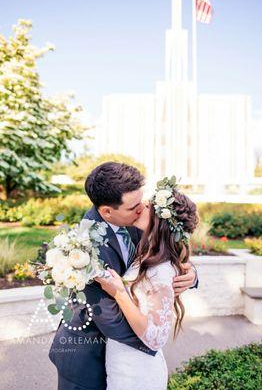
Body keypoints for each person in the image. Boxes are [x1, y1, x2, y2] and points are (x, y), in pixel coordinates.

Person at [49, 162, 198, 390]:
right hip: (87, 357)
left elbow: (168, 245)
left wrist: (191, 274)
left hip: (125, 359)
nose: (144, 209)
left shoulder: (138, 220)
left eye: (142, 202)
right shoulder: (84, 247)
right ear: (107, 211)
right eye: (134, 207)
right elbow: (106, 314)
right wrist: (150, 341)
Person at [95, 175, 199, 390]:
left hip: (136, 369)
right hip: (119, 360)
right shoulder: (147, 248)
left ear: (161, 221)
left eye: (149, 205)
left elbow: (156, 338)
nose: (142, 206)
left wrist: (120, 294)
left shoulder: (160, 269)